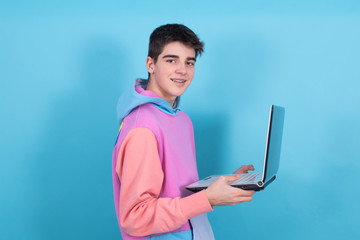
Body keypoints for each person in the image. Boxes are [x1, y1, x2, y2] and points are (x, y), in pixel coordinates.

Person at [112, 24, 256, 240]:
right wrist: (207, 199)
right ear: (150, 64)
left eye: (189, 62)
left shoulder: (181, 119)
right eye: (171, 60)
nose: (182, 70)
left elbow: (177, 189)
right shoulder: (142, 128)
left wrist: (223, 185)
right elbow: (135, 218)